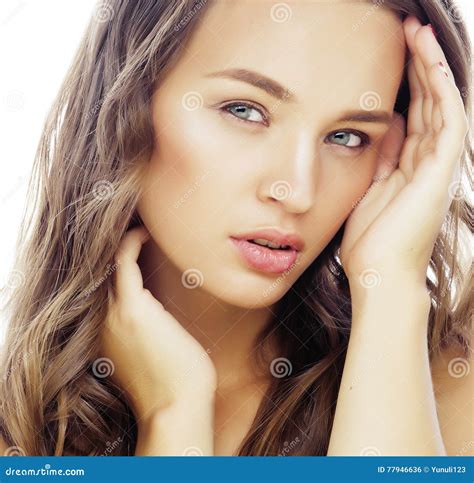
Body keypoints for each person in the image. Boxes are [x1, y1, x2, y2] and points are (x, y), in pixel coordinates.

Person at [0, 0, 472, 456]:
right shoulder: (17, 437)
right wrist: (174, 418)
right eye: (245, 110)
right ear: (127, 102)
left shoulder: (448, 392)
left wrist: (388, 282)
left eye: (346, 137)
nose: (297, 191)